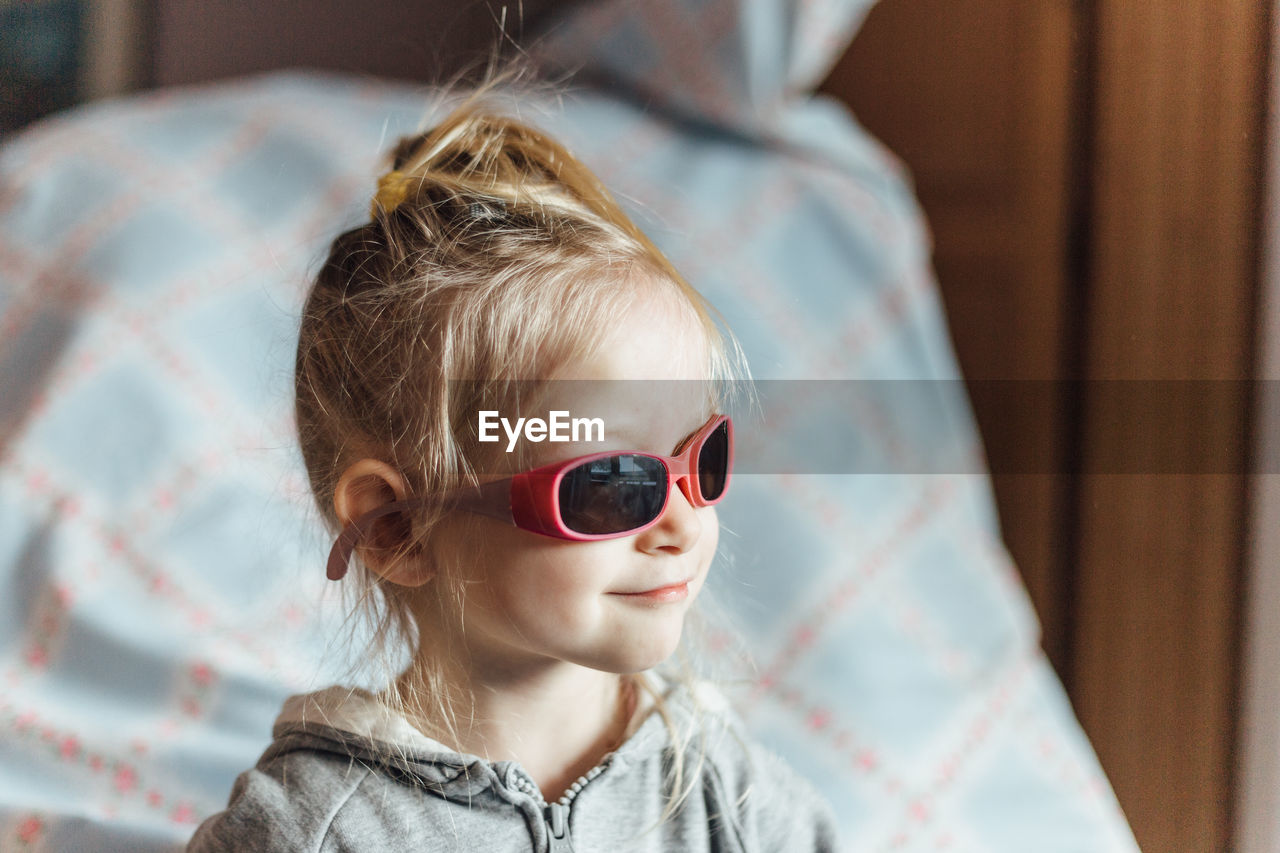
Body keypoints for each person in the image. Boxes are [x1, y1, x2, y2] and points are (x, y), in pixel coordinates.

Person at [187, 86, 839, 852]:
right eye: (613, 481)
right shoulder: (313, 831)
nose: (684, 522)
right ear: (398, 528)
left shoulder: (728, 795)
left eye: (703, 458)